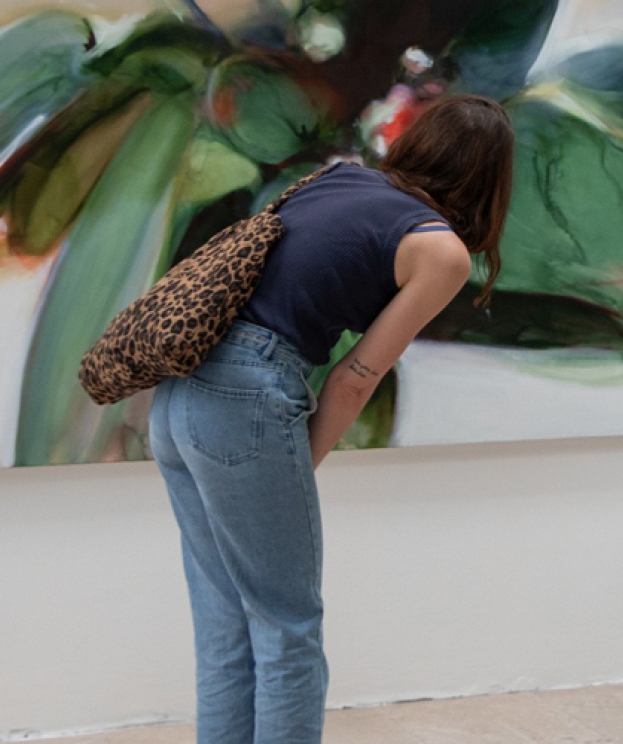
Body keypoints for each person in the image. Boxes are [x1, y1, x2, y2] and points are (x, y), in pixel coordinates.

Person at [146, 94, 514, 744]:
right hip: (245, 398)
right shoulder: (442, 253)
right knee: (288, 628)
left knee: (226, 624)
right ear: (492, 180)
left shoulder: (341, 175)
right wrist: (288, 469)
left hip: (178, 397)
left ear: (418, 142)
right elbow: (353, 378)